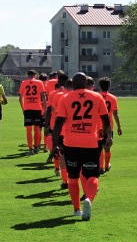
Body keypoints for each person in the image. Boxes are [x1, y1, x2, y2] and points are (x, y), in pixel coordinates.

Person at [52, 72, 112, 221]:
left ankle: (76, 209)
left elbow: (58, 122)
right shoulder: (96, 97)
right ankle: (89, 199)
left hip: (70, 142)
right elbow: (105, 119)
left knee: (73, 177)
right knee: (92, 175)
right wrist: (108, 135)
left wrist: (54, 145)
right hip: (90, 143)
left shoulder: (66, 98)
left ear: (73, 84)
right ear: (86, 83)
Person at [44, 73, 69, 185]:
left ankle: (58, 170)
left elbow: (50, 110)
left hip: (57, 126)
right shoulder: (72, 95)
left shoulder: (54, 94)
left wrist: (46, 124)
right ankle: (70, 178)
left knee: (58, 150)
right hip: (70, 129)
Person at [18, 70, 46, 154]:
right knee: (37, 128)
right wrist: (44, 108)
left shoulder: (23, 83)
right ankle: (37, 147)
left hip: (27, 109)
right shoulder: (39, 82)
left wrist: (23, 108)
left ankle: (30, 149)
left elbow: (20, 98)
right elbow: (43, 97)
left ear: (27, 75)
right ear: (35, 75)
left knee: (28, 129)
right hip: (37, 108)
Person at [98, 77, 123, 173]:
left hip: (97, 125)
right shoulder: (112, 98)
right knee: (107, 147)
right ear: (109, 86)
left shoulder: (96, 96)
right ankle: (107, 164)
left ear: (100, 86)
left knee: (99, 147)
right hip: (108, 126)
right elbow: (115, 113)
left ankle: (101, 167)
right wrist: (119, 126)